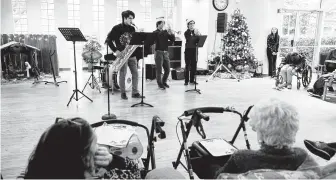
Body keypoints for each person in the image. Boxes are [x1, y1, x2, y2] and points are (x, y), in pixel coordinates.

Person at [214, 98, 317, 177]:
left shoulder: (241, 158)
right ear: (293, 127)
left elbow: (218, 177)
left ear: (261, 131)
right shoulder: (302, 156)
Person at [21, 117, 141, 179]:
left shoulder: (37, 171)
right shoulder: (114, 176)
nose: (99, 147)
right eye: (95, 144)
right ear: (84, 158)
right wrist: (114, 160)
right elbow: (137, 172)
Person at [105, 10, 143, 100]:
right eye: (130, 18)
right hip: (122, 55)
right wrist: (115, 51)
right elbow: (108, 40)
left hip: (132, 55)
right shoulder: (116, 28)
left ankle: (135, 92)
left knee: (135, 73)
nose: (131, 20)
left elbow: (133, 41)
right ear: (124, 18)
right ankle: (123, 93)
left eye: (132, 18)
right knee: (123, 74)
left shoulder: (132, 28)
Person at [153, 17, 175, 90]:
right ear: (158, 24)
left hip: (165, 53)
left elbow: (172, 39)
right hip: (158, 52)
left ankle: (164, 81)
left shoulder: (165, 32)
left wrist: (171, 33)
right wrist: (166, 31)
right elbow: (159, 35)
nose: (163, 25)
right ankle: (160, 84)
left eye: (164, 23)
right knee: (159, 70)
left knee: (168, 69)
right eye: (162, 23)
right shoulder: (155, 32)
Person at [184, 19, 201, 86]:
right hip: (188, 50)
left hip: (194, 50)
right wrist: (195, 34)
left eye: (193, 24)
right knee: (187, 66)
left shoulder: (196, 31)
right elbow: (190, 39)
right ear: (188, 25)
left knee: (194, 66)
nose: (192, 25)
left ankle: (192, 80)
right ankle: (186, 81)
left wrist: (199, 34)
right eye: (190, 24)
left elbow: (200, 40)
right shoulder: (186, 32)